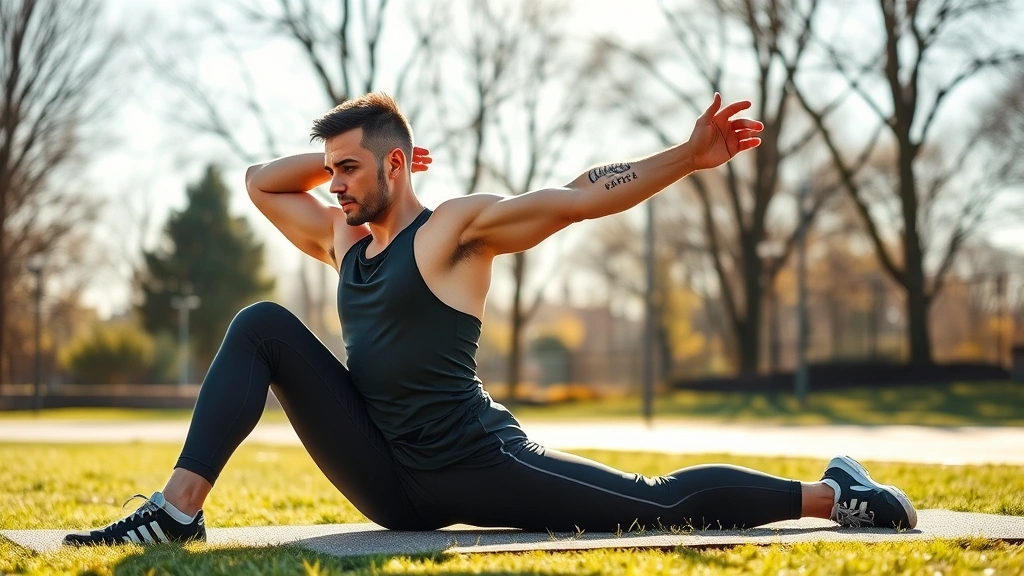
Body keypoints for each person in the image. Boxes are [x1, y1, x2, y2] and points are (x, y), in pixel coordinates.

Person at [64, 92, 916, 546]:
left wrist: (687, 157)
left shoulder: (453, 234)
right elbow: (259, 181)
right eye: (331, 171)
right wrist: (341, 154)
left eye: (351, 169)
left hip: (474, 460)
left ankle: (831, 494)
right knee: (261, 324)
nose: (333, 186)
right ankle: (180, 509)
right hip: (387, 478)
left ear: (397, 166)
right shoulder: (342, 242)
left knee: (654, 510)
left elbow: (576, 198)